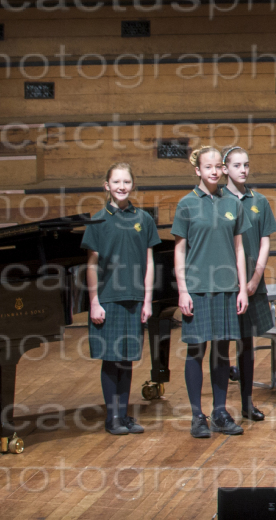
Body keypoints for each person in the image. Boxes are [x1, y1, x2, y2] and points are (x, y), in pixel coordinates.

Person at [172, 145, 249, 438]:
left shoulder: (233, 204)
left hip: (227, 288)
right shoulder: (186, 204)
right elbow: (179, 251)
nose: (214, 171)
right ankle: (197, 416)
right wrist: (183, 291)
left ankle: (220, 412)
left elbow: (239, 249)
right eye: (208, 167)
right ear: (198, 170)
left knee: (222, 352)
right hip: (197, 288)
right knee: (196, 350)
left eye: (218, 166)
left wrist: (242, 288)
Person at [82, 164, 160, 435]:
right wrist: (94, 301)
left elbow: (149, 262)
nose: (122, 186)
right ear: (107, 186)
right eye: (116, 182)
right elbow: (91, 265)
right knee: (111, 359)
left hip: (135, 299)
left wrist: (147, 300)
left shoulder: (144, 219)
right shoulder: (98, 221)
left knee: (127, 360)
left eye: (126, 181)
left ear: (133, 185)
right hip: (108, 299)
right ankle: (112, 417)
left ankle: (124, 415)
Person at [222, 146, 276, 423]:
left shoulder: (259, 201)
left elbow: (265, 241)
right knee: (220, 345)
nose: (243, 170)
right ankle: (219, 408)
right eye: (237, 165)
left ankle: (247, 402)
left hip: (253, 284)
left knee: (246, 344)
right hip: (225, 283)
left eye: (246, 165)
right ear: (225, 169)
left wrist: (255, 278)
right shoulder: (217, 199)